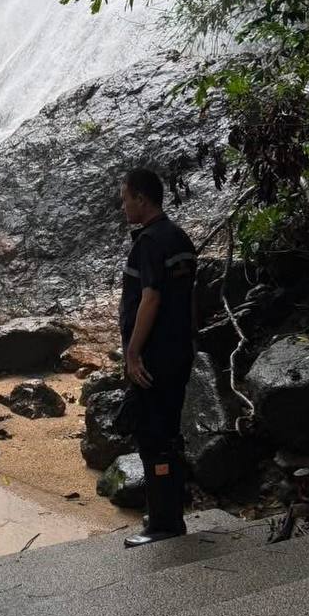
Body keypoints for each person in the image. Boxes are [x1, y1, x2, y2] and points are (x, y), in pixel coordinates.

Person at [116, 166, 197, 548]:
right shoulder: (179, 238)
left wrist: (132, 352)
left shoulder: (149, 242)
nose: (123, 205)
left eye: (126, 198)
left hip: (153, 357)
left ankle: (163, 524)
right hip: (180, 351)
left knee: (153, 435)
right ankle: (169, 513)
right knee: (169, 429)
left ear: (141, 199)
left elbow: (150, 298)